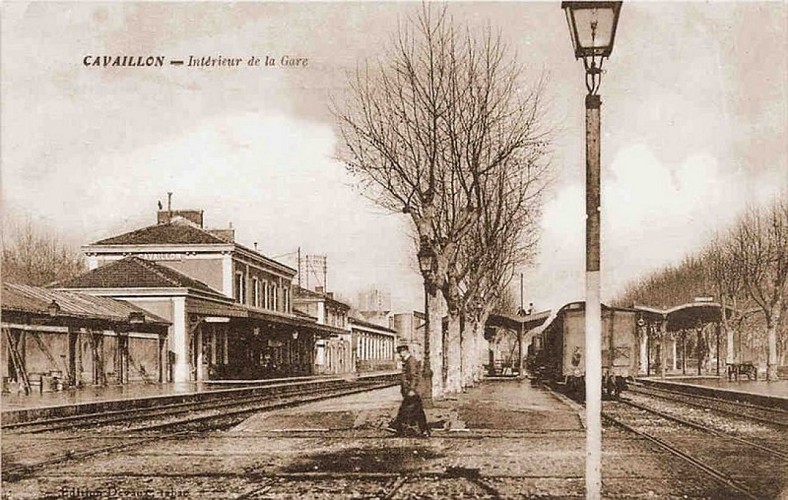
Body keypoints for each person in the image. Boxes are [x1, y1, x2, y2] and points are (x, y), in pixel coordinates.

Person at [386, 344, 429, 437]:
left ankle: (397, 428)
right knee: (418, 411)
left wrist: (412, 389)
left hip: (413, 391)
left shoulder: (411, 361)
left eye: (401, 352)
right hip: (413, 390)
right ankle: (424, 431)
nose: (400, 355)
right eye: (399, 353)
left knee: (404, 409)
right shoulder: (408, 360)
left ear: (405, 351)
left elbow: (414, 376)